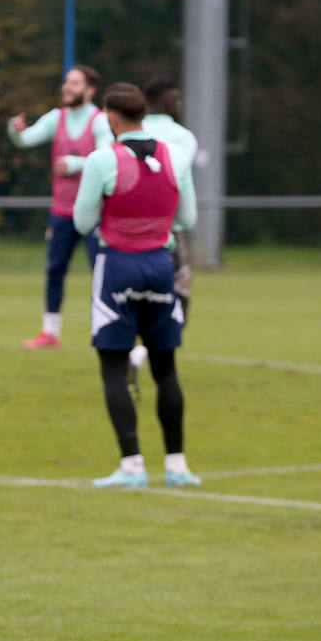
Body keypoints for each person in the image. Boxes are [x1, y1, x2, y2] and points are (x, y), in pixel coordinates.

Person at [72, 83, 200, 489]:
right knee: (165, 366)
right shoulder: (175, 156)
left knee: (114, 365)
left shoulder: (101, 160)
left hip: (118, 268)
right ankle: (177, 465)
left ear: (111, 117)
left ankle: (132, 466)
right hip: (161, 266)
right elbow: (189, 219)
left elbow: (81, 222)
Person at [7, 64, 113, 348]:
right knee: (55, 270)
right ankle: (50, 332)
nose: (67, 87)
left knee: (100, 272)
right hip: (62, 212)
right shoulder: (57, 117)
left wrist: (77, 163)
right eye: (67, 81)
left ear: (89, 91)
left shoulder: (100, 121)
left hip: (93, 214)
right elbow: (25, 140)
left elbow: (107, 154)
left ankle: (102, 330)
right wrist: (15, 130)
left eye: (75, 83)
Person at [126, 76, 201, 391]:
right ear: (168, 100)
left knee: (129, 299)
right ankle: (147, 351)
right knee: (179, 295)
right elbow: (181, 193)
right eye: (178, 99)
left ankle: (127, 351)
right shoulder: (183, 138)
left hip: (124, 236)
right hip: (166, 235)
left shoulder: (126, 134)